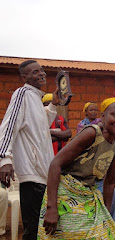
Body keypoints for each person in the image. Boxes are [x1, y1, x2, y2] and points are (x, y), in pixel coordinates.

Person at [37, 97, 115, 240]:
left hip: (88, 195)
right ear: (103, 117)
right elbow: (56, 163)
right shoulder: (92, 133)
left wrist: (104, 213)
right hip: (65, 194)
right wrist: (52, 208)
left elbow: (110, 182)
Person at [0, 60, 59, 240]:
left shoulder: (35, 98)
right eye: (34, 72)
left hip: (42, 172)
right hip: (32, 174)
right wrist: (5, 159)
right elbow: (8, 126)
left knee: (40, 229)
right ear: (24, 77)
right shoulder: (22, 93)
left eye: (41, 70)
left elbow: (39, 126)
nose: (40, 74)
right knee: (33, 229)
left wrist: (54, 104)